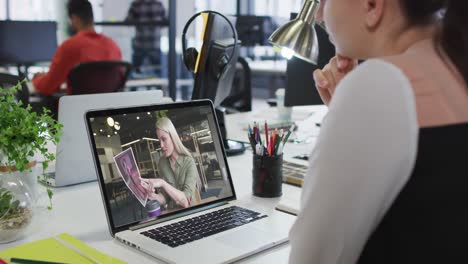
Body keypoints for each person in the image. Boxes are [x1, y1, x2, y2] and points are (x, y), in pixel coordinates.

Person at [289, 0, 468, 263]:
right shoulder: (454, 66)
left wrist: (352, 106)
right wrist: (347, 114)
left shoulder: (380, 84)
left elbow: (313, 255)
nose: (318, 14)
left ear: (372, 6)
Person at [32, 0, 122, 95]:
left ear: (74, 18)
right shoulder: (113, 46)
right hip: (107, 107)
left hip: (77, 108)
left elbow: (48, 86)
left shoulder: (70, 46)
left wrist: (37, 78)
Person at [141, 117, 198, 210]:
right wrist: (152, 195)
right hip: (172, 214)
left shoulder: (189, 162)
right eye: (159, 140)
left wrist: (163, 183)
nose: (161, 145)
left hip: (191, 212)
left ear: (173, 137)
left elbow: (186, 202)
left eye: (164, 139)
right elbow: (165, 198)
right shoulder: (162, 163)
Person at [125, 0, 166, 75]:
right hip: (154, 44)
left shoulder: (136, 4)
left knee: (135, 73)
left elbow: (128, 22)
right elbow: (165, 22)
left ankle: (135, 85)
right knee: (158, 73)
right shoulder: (158, 4)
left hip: (140, 44)